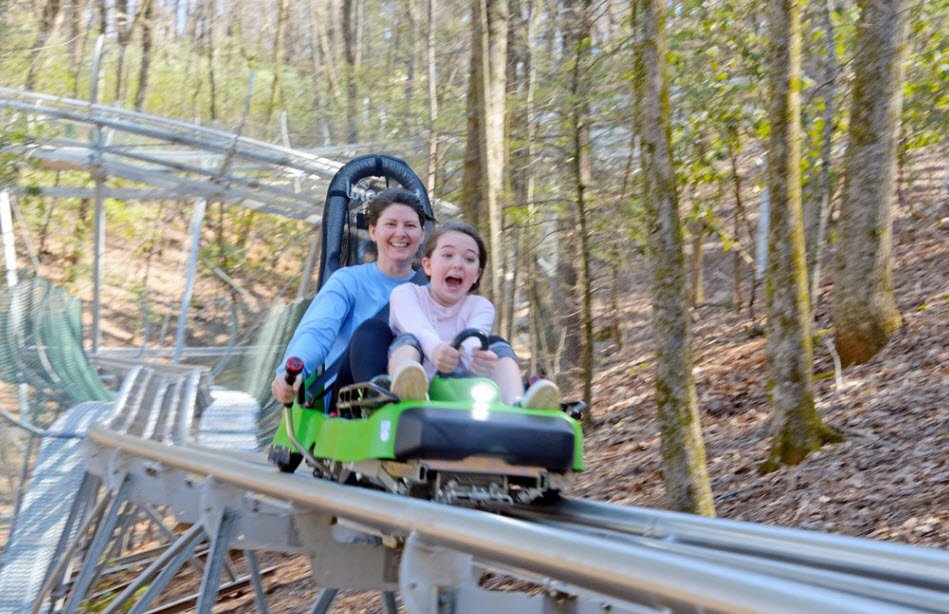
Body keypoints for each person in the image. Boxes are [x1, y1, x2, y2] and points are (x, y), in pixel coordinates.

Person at [270, 187, 431, 406]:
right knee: (373, 331)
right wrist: (291, 370)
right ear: (373, 231)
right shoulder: (348, 282)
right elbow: (317, 331)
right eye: (391, 224)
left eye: (410, 226)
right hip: (351, 399)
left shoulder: (432, 290)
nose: (400, 233)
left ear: (422, 234)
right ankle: (378, 402)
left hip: (420, 397)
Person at [387, 221, 560, 409]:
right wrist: (436, 350)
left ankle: (516, 405)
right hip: (417, 381)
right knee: (409, 340)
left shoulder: (481, 306)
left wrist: (479, 359)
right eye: (447, 255)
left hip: (461, 389)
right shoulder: (406, 294)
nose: (458, 265)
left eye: (469, 259)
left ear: (477, 274)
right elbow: (419, 327)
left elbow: (473, 340)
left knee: (498, 345)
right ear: (428, 265)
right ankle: (407, 394)